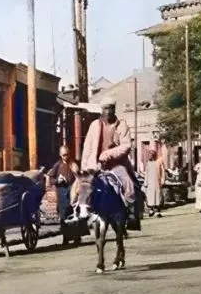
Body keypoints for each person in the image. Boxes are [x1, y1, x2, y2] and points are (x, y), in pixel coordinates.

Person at [81, 98, 141, 231]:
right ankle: (79, 215)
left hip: (116, 165)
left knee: (128, 184)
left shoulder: (121, 125)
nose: (108, 111)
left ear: (114, 109)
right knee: (81, 187)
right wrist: (84, 167)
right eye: (105, 108)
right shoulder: (94, 125)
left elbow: (126, 146)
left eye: (110, 108)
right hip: (95, 165)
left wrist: (108, 154)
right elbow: (87, 148)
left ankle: (131, 215)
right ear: (101, 110)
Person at [46, 145, 80, 242]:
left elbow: (79, 177)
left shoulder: (73, 164)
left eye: (67, 154)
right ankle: (66, 238)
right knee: (63, 216)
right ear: (60, 155)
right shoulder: (57, 165)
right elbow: (51, 178)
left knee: (74, 214)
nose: (66, 157)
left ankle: (76, 237)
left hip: (72, 192)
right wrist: (58, 180)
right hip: (62, 194)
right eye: (64, 155)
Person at [144, 147, 165, 218]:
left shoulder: (159, 162)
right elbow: (146, 173)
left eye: (151, 155)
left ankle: (158, 211)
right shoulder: (148, 163)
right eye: (149, 155)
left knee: (158, 196)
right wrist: (145, 182)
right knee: (151, 197)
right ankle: (151, 210)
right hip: (150, 182)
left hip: (157, 182)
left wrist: (162, 180)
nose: (150, 156)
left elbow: (163, 172)